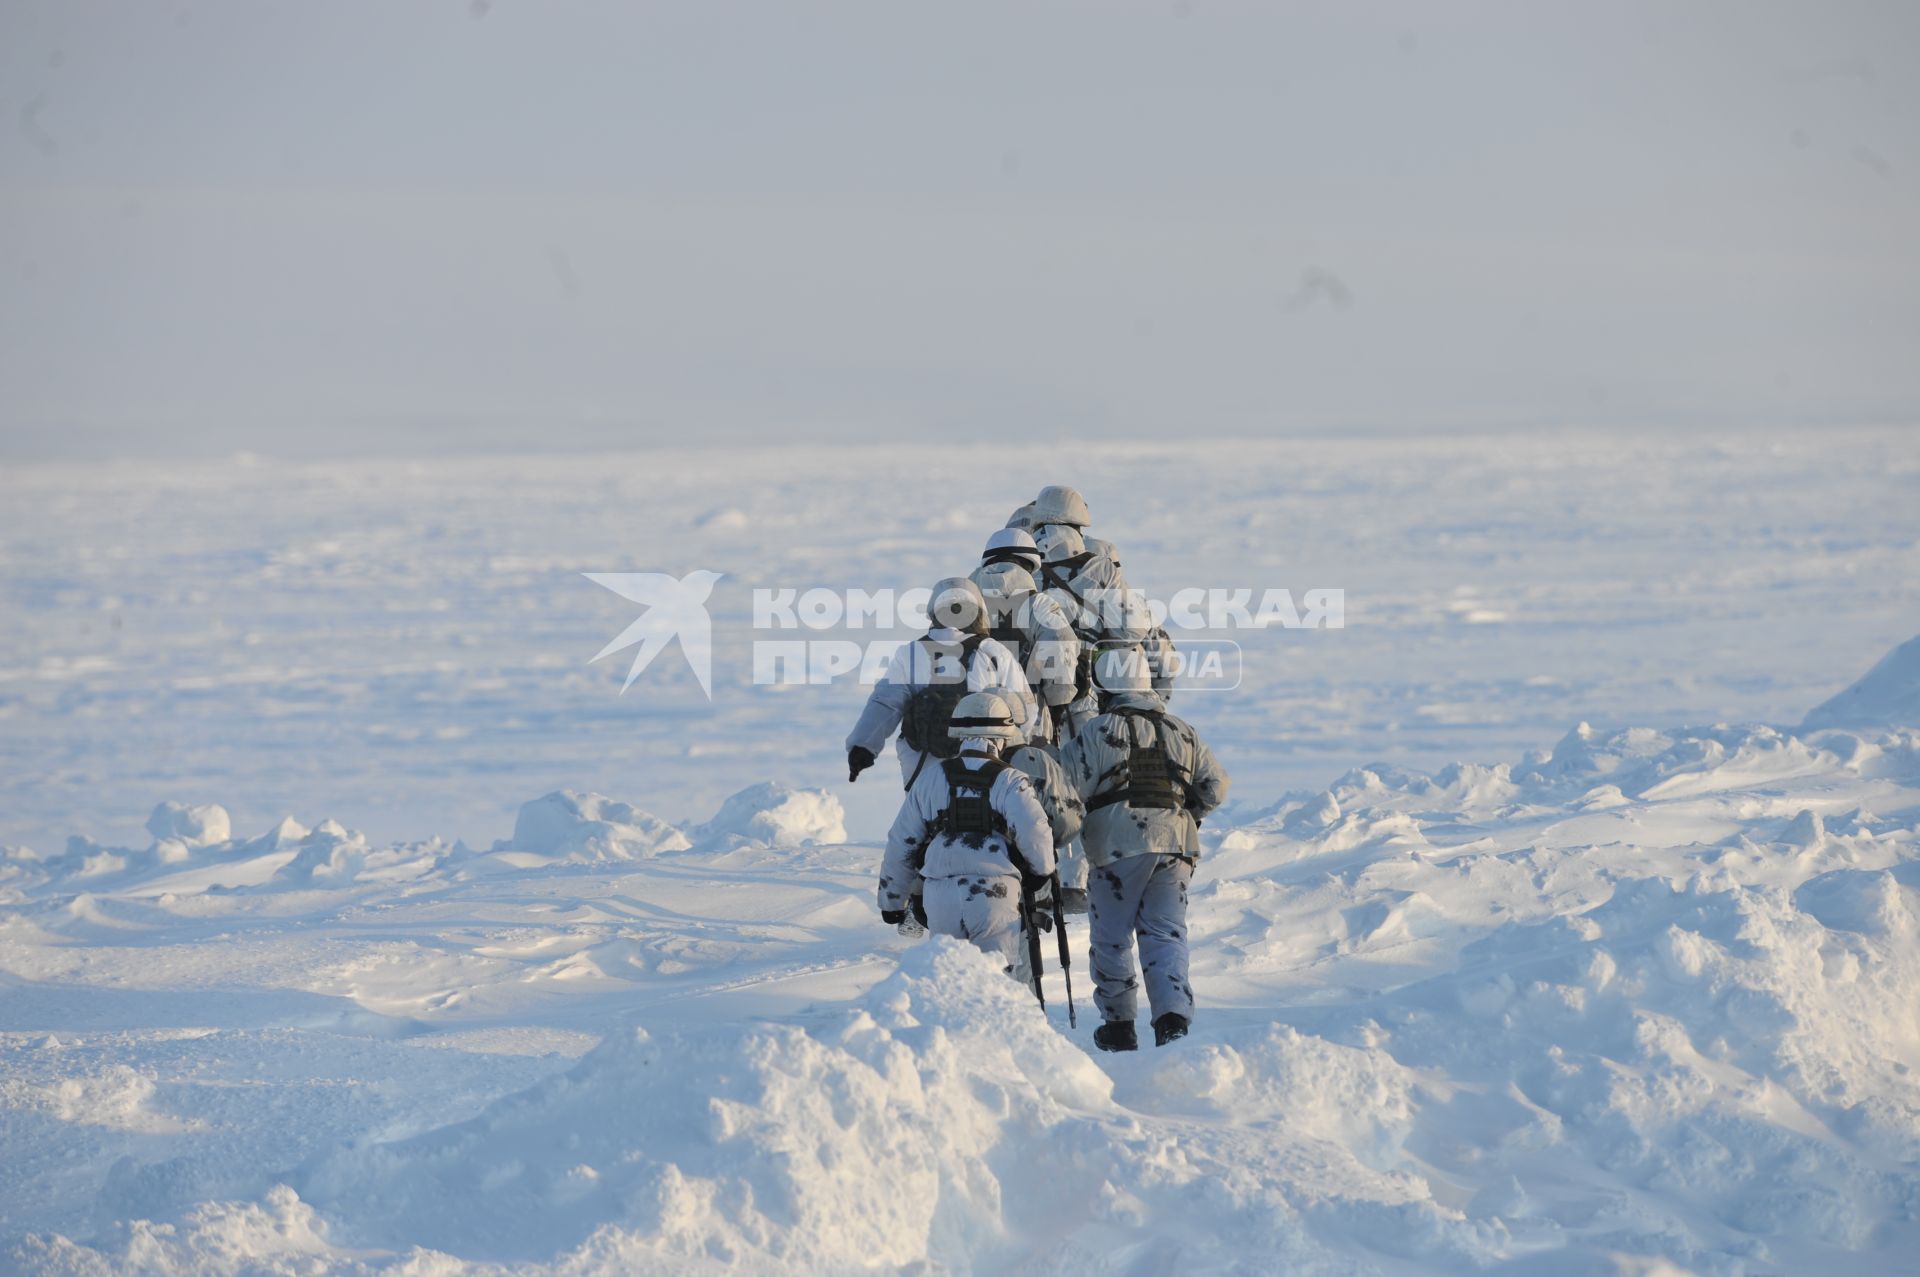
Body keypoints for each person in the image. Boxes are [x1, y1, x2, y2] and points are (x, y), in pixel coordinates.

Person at [1061, 648, 1229, 1051]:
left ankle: (1119, 1026)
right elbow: (1216, 787)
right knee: (1166, 934)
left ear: (1105, 687)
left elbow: (1066, 789)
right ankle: (1172, 1022)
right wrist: (1191, 813)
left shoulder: (1098, 730)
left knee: (1112, 937)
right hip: (1176, 845)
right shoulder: (1182, 730)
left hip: (1117, 847)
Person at [876, 691, 1057, 987]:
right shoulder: (1011, 780)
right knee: (997, 986)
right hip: (994, 895)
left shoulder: (931, 778)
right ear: (1002, 736)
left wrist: (892, 901)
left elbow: (902, 842)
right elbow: (1036, 832)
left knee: (951, 984)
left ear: (958, 734)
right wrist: (1040, 872)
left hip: (940, 895)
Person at [846, 576, 1037, 790]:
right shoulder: (994, 652)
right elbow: (1025, 712)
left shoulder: (911, 653)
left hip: (921, 762)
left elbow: (885, 703)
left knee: (924, 816)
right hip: (981, 761)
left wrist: (862, 746)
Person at [969, 529, 1080, 744]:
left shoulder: (966, 603)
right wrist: (1058, 702)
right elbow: (1060, 643)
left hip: (971, 716)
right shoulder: (1037, 604)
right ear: (1029, 566)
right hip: (1026, 718)